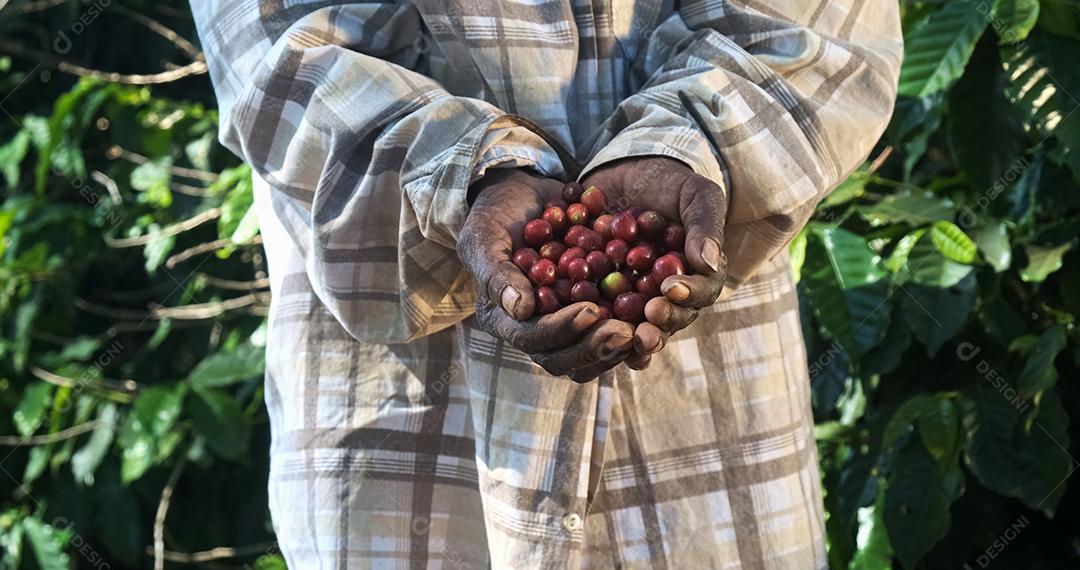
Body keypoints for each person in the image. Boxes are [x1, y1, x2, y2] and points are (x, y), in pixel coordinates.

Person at [192, 1, 901, 567]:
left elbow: (809, 29)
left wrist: (686, 145)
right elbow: (280, 53)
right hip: (411, 423)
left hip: (704, 428)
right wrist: (466, 176)